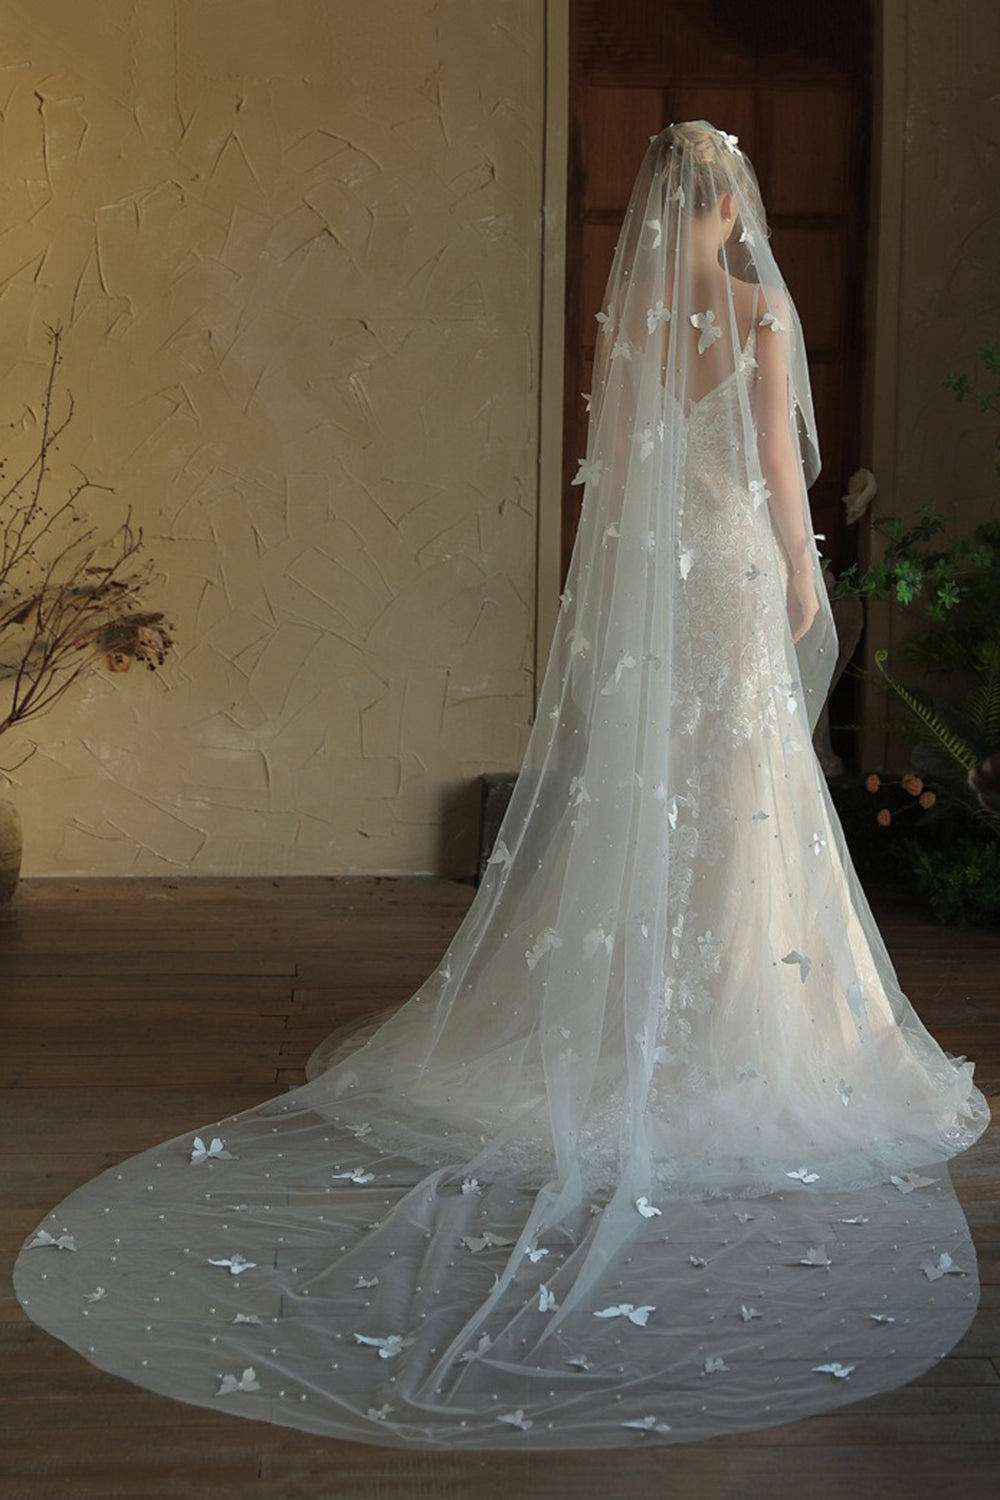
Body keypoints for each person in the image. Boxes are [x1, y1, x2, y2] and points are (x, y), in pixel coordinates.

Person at [14, 122, 989, 1449]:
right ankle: (744, 1019)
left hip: (663, 582)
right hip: (732, 568)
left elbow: (618, 480)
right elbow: (777, 468)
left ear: (665, 203)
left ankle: (647, 1013)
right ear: (729, 204)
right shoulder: (761, 311)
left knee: (663, 792)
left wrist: (627, 601)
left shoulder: (631, 319)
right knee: (747, 795)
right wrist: (806, 586)